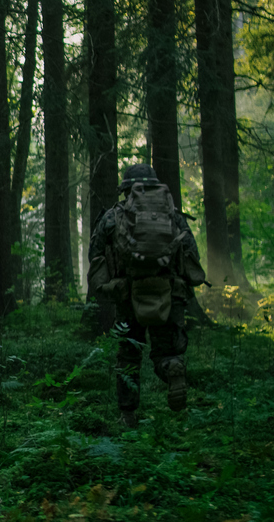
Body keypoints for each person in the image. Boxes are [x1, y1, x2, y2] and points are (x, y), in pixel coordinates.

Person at [87, 163, 205, 428]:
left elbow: (95, 252)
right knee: (167, 350)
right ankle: (172, 368)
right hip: (169, 294)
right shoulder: (173, 215)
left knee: (129, 354)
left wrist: (106, 285)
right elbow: (191, 256)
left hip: (128, 295)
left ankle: (127, 414)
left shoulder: (113, 216)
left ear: (126, 189)